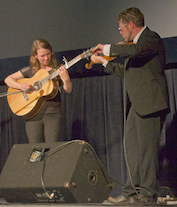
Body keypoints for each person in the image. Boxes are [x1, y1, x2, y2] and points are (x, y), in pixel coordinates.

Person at [91, 7, 169, 204]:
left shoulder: (151, 39)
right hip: (137, 106)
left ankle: (147, 193)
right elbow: (126, 72)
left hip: (150, 104)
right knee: (133, 150)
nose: (120, 31)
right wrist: (103, 62)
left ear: (130, 25)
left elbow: (133, 50)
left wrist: (107, 48)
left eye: (120, 27)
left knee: (147, 152)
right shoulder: (136, 48)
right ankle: (131, 192)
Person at [4, 39, 72, 143]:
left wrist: (66, 79)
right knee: (35, 150)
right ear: (35, 56)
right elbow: (8, 79)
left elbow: (68, 89)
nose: (46, 58)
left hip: (52, 114)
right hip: (33, 114)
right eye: (42, 56)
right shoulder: (30, 70)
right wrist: (21, 86)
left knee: (52, 148)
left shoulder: (58, 70)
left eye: (48, 54)